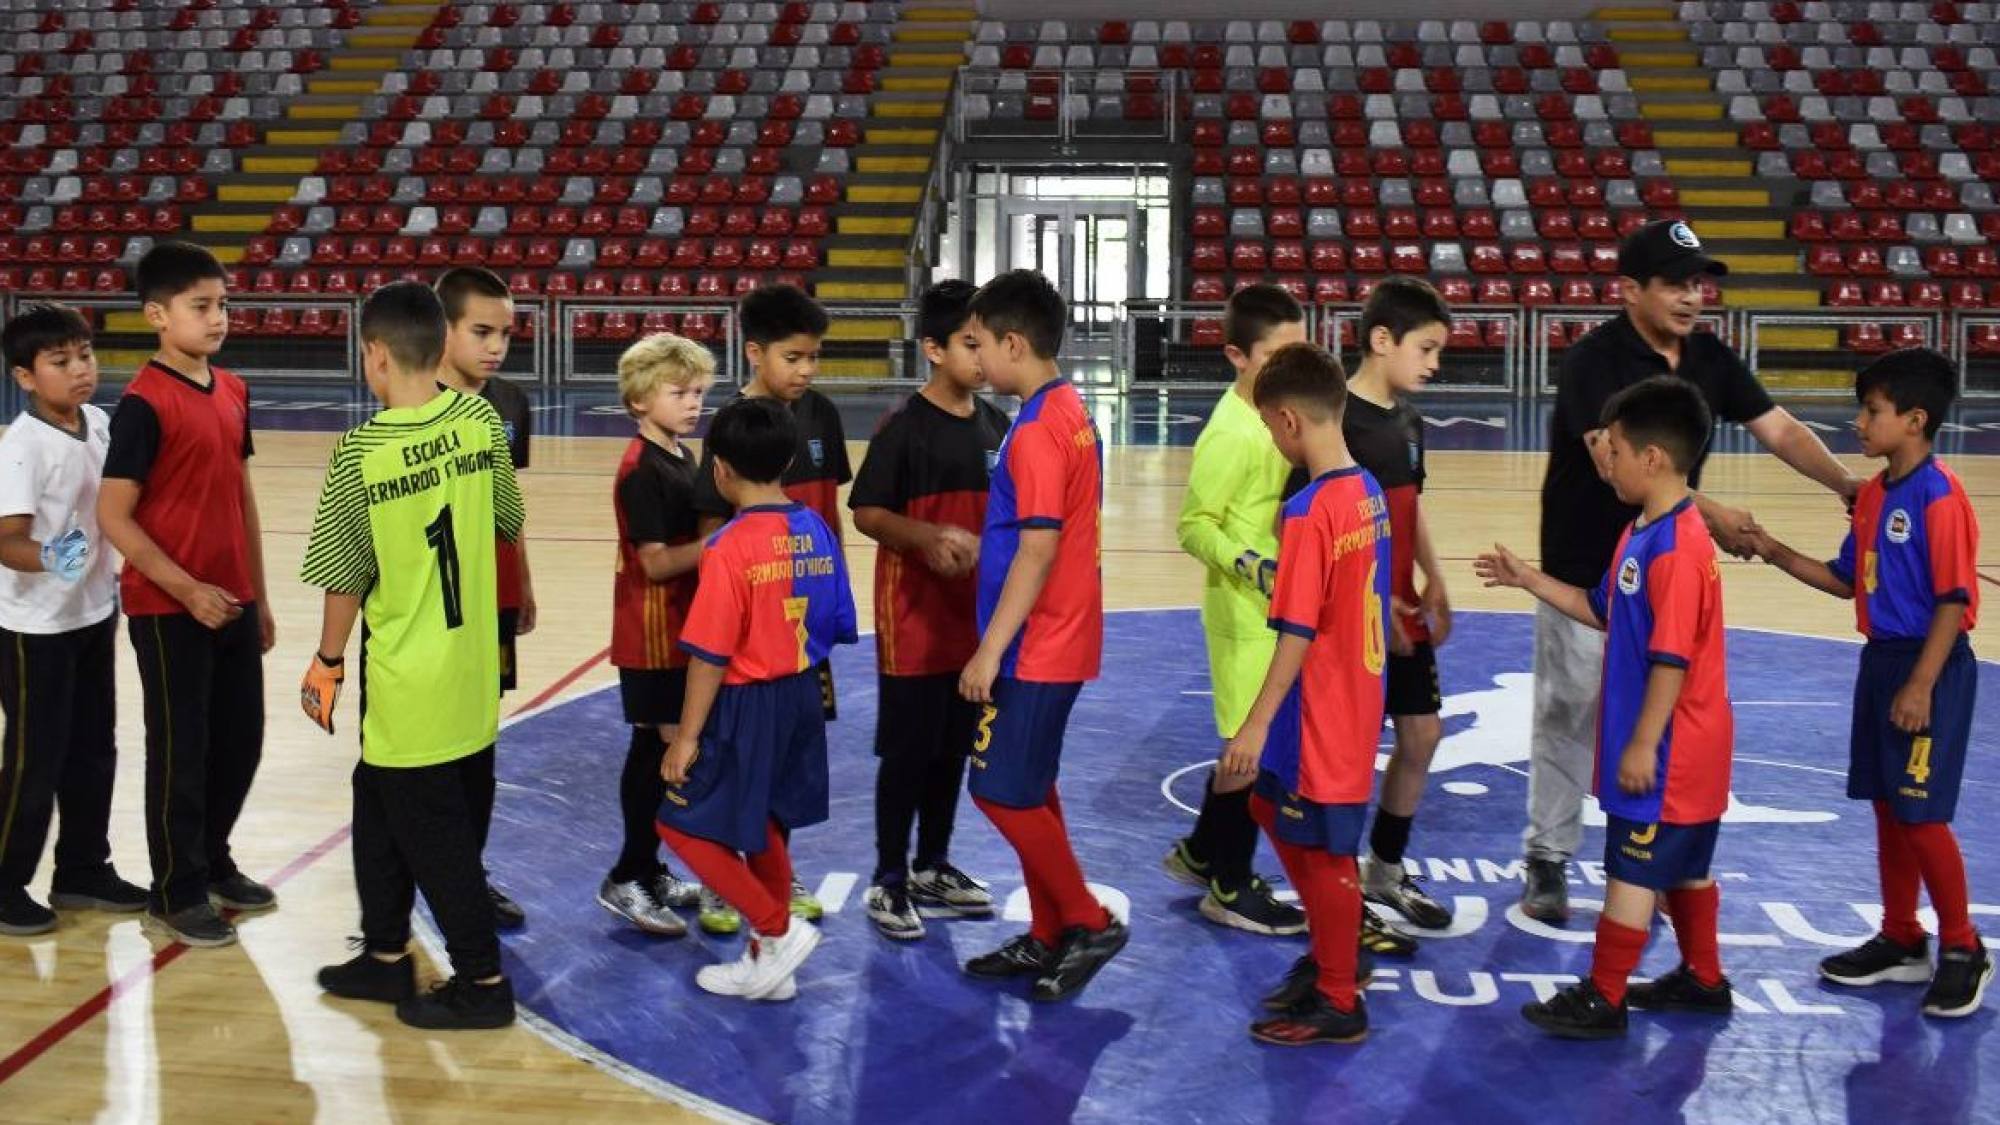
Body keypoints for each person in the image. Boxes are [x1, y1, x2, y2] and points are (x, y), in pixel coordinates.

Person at [1522, 219, 1857, 923]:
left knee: (1667, 713)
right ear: (1630, 290)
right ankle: (1549, 855)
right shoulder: (1595, 360)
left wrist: (1847, 485)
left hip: (1672, 571)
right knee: (1568, 713)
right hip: (1588, 564)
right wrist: (1713, 512)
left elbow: (1781, 428)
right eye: (1674, 282)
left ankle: (1664, 860)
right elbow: (1602, 452)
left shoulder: (1709, 357)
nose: (1691, 296)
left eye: (1697, 282)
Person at [1477, 376, 1735, 1039]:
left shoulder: (1677, 549)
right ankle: (1704, 979)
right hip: (1686, 749)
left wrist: (1645, 741)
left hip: (1673, 750)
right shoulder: (1642, 532)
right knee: (1685, 866)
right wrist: (1528, 578)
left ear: (1652, 457)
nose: (1606, 460)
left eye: (1614, 449)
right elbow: (1601, 608)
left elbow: (1671, 659)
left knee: (1631, 870)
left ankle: (1605, 994)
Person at [299, 281, 525, 1031]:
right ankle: (386, 952)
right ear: (440, 346)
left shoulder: (359, 454)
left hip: (408, 674)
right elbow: (504, 517)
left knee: (438, 835)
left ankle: (483, 979)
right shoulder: (481, 420)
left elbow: (344, 574)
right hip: (471, 668)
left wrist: (328, 661)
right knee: (378, 799)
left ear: (374, 354)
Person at [1743, 348, 1989, 1019]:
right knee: (1887, 805)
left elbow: (1954, 600)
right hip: (1881, 661)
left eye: (1871, 411)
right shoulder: (1873, 495)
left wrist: (1920, 684)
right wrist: (1772, 548)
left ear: (1914, 420)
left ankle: (1964, 946)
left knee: (1922, 812)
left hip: (1927, 666)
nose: (1857, 422)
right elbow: (1848, 579)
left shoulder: (1940, 498)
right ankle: (1903, 936)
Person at [98, 241, 277, 948]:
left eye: (223, 304)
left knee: (242, 740)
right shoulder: (142, 404)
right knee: (180, 748)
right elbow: (114, 515)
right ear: (156, 315)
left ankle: (213, 858)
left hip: (231, 599)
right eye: (201, 307)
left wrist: (257, 593)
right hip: (169, 606)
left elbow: (242, 493)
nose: (218, 318)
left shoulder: (233, 389)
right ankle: (175, 888)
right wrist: (186, 587)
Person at [956, 270, 1127, 1002]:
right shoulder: (1066, 409)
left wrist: (991, 647)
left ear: (1013, 343)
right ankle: (1052, 929)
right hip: (1059, 633)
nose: (974, 361)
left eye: (978, 344)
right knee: (1032, 788)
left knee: (998, 791)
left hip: (1035, 643)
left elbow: (1038, 546)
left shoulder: (1033, 432)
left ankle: (1087, 920)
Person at [656, 397, 858, 1001]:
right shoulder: (816, 528)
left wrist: (687, 737)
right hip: (802, 694)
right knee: (767, 824)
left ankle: (776, 926)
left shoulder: (728, 547)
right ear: (791, 459)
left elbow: (711, 654)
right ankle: (771, 964)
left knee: (681, 825)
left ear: (719, 469)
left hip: (747, 703)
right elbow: (840, 619)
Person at [1219, 341, 1389, 1046]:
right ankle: (1328, 951)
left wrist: (1254, 726)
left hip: (1324, 707)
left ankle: (1340, 995)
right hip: (1346, 695)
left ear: (1287, 420)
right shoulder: (1368, 489)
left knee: (1323, 852)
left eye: (1268, 426)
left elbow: (1295, 629)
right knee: (1266, 803)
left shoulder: (1309, 509)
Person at [849, 280, 1009, 941]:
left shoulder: (999, 427)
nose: (982, 358)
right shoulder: (902, 429)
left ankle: (932, 862)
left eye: (989, 343)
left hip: (972, 628)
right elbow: (866, 512)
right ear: (935, 349)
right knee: (909, 754)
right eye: (970, 344)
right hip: (914, 623)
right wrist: (926, 538)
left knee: (952, 750)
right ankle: (888, 877)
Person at [693, 283, 849, 921]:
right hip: (747, 639)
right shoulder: (732, 431)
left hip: (800, 635)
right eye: (794, 357)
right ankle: (719, 877)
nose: (806, 370)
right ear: (755, 353)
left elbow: (828, 519)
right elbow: (712, 539)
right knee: (736, 759)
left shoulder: (823, 415)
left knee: (788, 760)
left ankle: (779, 874)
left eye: (814, 357)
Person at [1161, 283, 1310, 937]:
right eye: (1277, 353)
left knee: (1247, 744)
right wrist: (1253, 564)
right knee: (1256, 749)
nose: (1290, 365)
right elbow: (1194, 526)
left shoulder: (1278, 414)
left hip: (1273, 608)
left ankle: (1200, 851)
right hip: (1245, 612)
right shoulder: (1229, 432)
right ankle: (1229, 881)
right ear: (1235, 356)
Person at [0, 303, 147, 935]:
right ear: (25, 377)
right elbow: (6, 539)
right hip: (34, 630)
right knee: (36, 761)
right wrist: (51, 557)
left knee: (94, 750)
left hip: (92, 614)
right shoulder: (22, 447)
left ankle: (83, 868)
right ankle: (5, 884)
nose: (80, 370)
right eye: (60, 362)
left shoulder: (99, 422)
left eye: (84, 355)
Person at [1343, 278, 1457, 932]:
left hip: (1402, 607)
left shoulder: (1409, 420)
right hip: (1353, 617)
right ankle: (1337, 884)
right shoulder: (1337, 418)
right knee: (1349, 752)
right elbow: (1315, 525)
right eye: (1427, 347)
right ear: (1382, 340)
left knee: (1423, 733)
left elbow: (1410, 508)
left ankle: (1383, 868)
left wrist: (1434, 576)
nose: (1435, 363)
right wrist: (1367, 598)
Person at [601, 332, 715, 937]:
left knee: (653, 750)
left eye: (699, 393)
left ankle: (646, 867)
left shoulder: (677, 455)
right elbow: (655, 563)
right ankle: (629, 873)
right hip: (650, 632)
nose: (693, 404)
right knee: (664, 753)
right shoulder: (642, 471)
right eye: (680, 393)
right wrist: (720, 545)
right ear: (640, 400)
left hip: (675, 626)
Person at [434, 266, 532, 929]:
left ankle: (470, 869)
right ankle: (423, 874)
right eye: (481, 331)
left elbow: (508, 504)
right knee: (431, 742)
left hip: (492, 597)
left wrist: (522, 577)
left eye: (505, 333)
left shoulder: (510, 403)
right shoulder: (414, 402)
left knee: (479, 738)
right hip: (436, 605)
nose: (495, 346)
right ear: (443, 329)